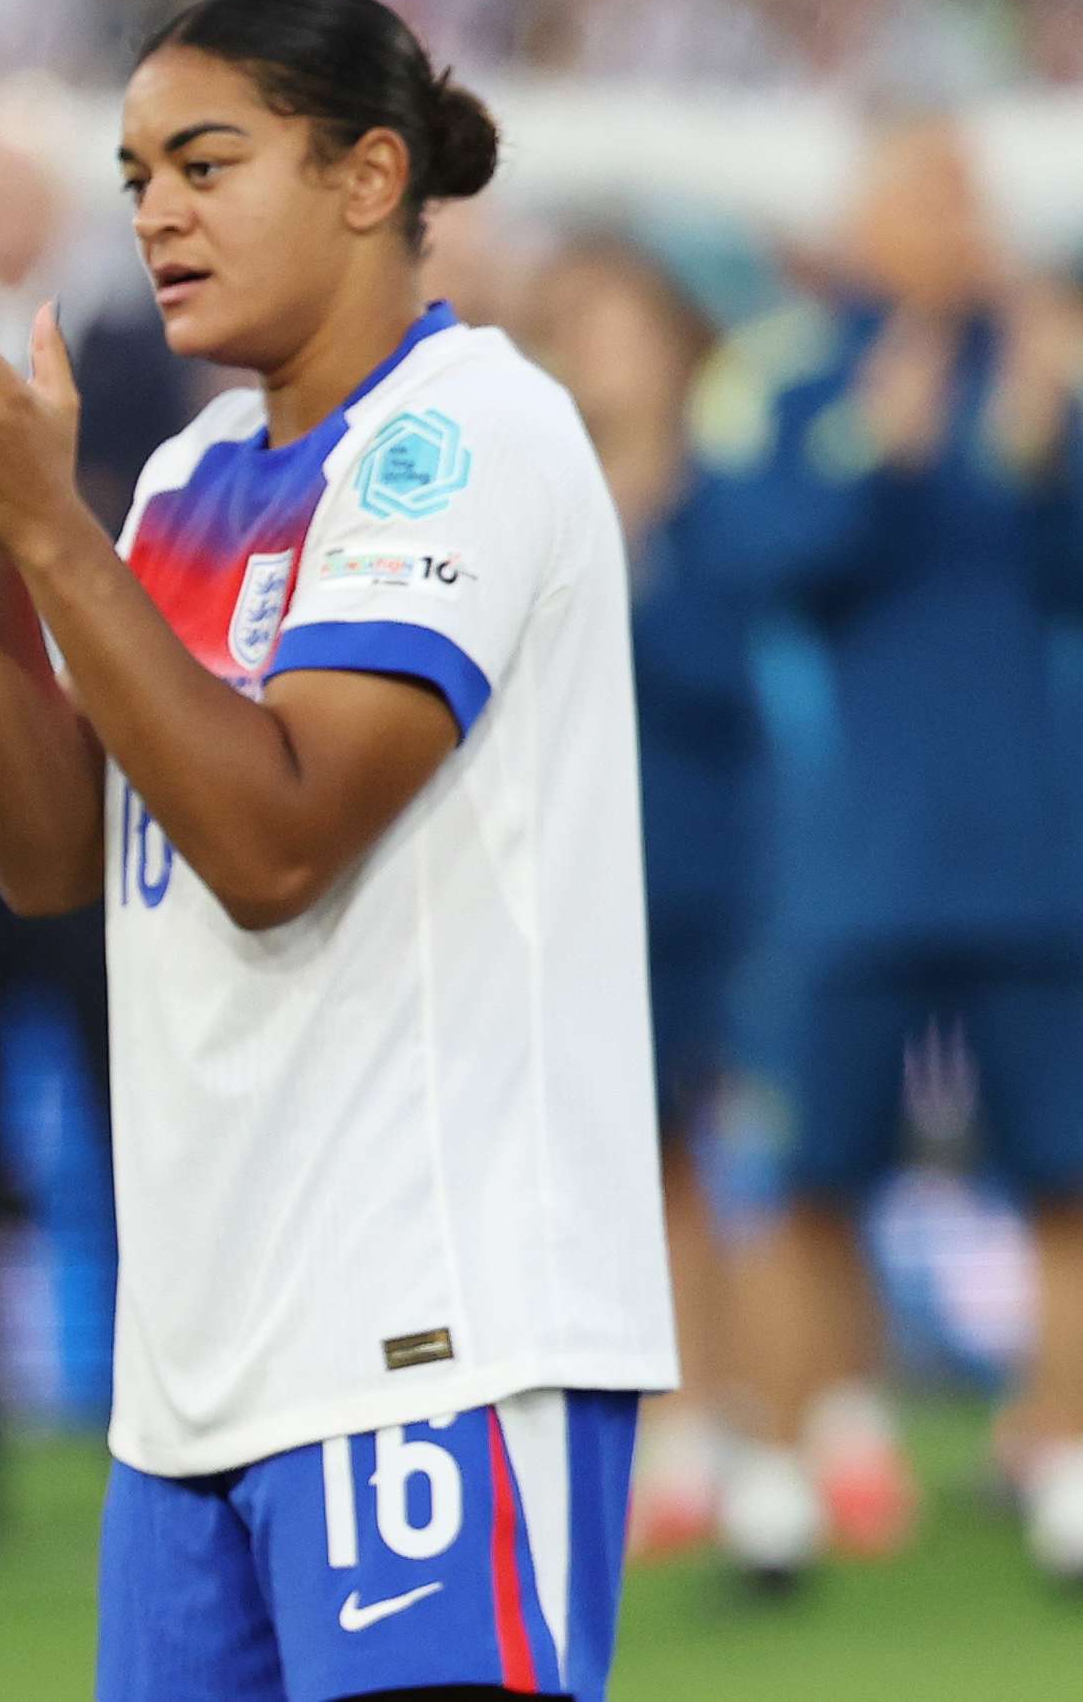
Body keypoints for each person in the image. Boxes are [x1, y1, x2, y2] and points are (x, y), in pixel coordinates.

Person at [0, 0, 673, 1700]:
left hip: (429, 1326)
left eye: (205, 161)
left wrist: (41, 523)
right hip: (199, 1364)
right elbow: (53, 857)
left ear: (368, 176)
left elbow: (276, 834)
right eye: (136, 171)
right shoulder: (187, 478)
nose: (153, 209)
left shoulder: (464, 436)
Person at [686, 112, 1083, 1585]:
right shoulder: (785, 377)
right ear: (858, 221)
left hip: (1035, 855)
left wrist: (1043, 454)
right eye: (920, 194)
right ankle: (779, 1484)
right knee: (805, 1182)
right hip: (844, 859)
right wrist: (873, 452)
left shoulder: (1046, 364)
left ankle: (1060, 1469)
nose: (950, 222)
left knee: (1060, 1174)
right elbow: (745, 563)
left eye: (964, 196)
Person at [514, 234, 752, 1563]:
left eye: (607, 318)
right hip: (566, 877)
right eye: (564, 320)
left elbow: (739, 679)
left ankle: (741, 1421)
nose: (585, 345)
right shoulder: (525, 493)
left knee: (717, 1157)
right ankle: (656, 1420)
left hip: (716, 871)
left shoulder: (731, 499)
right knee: (616, 1155)